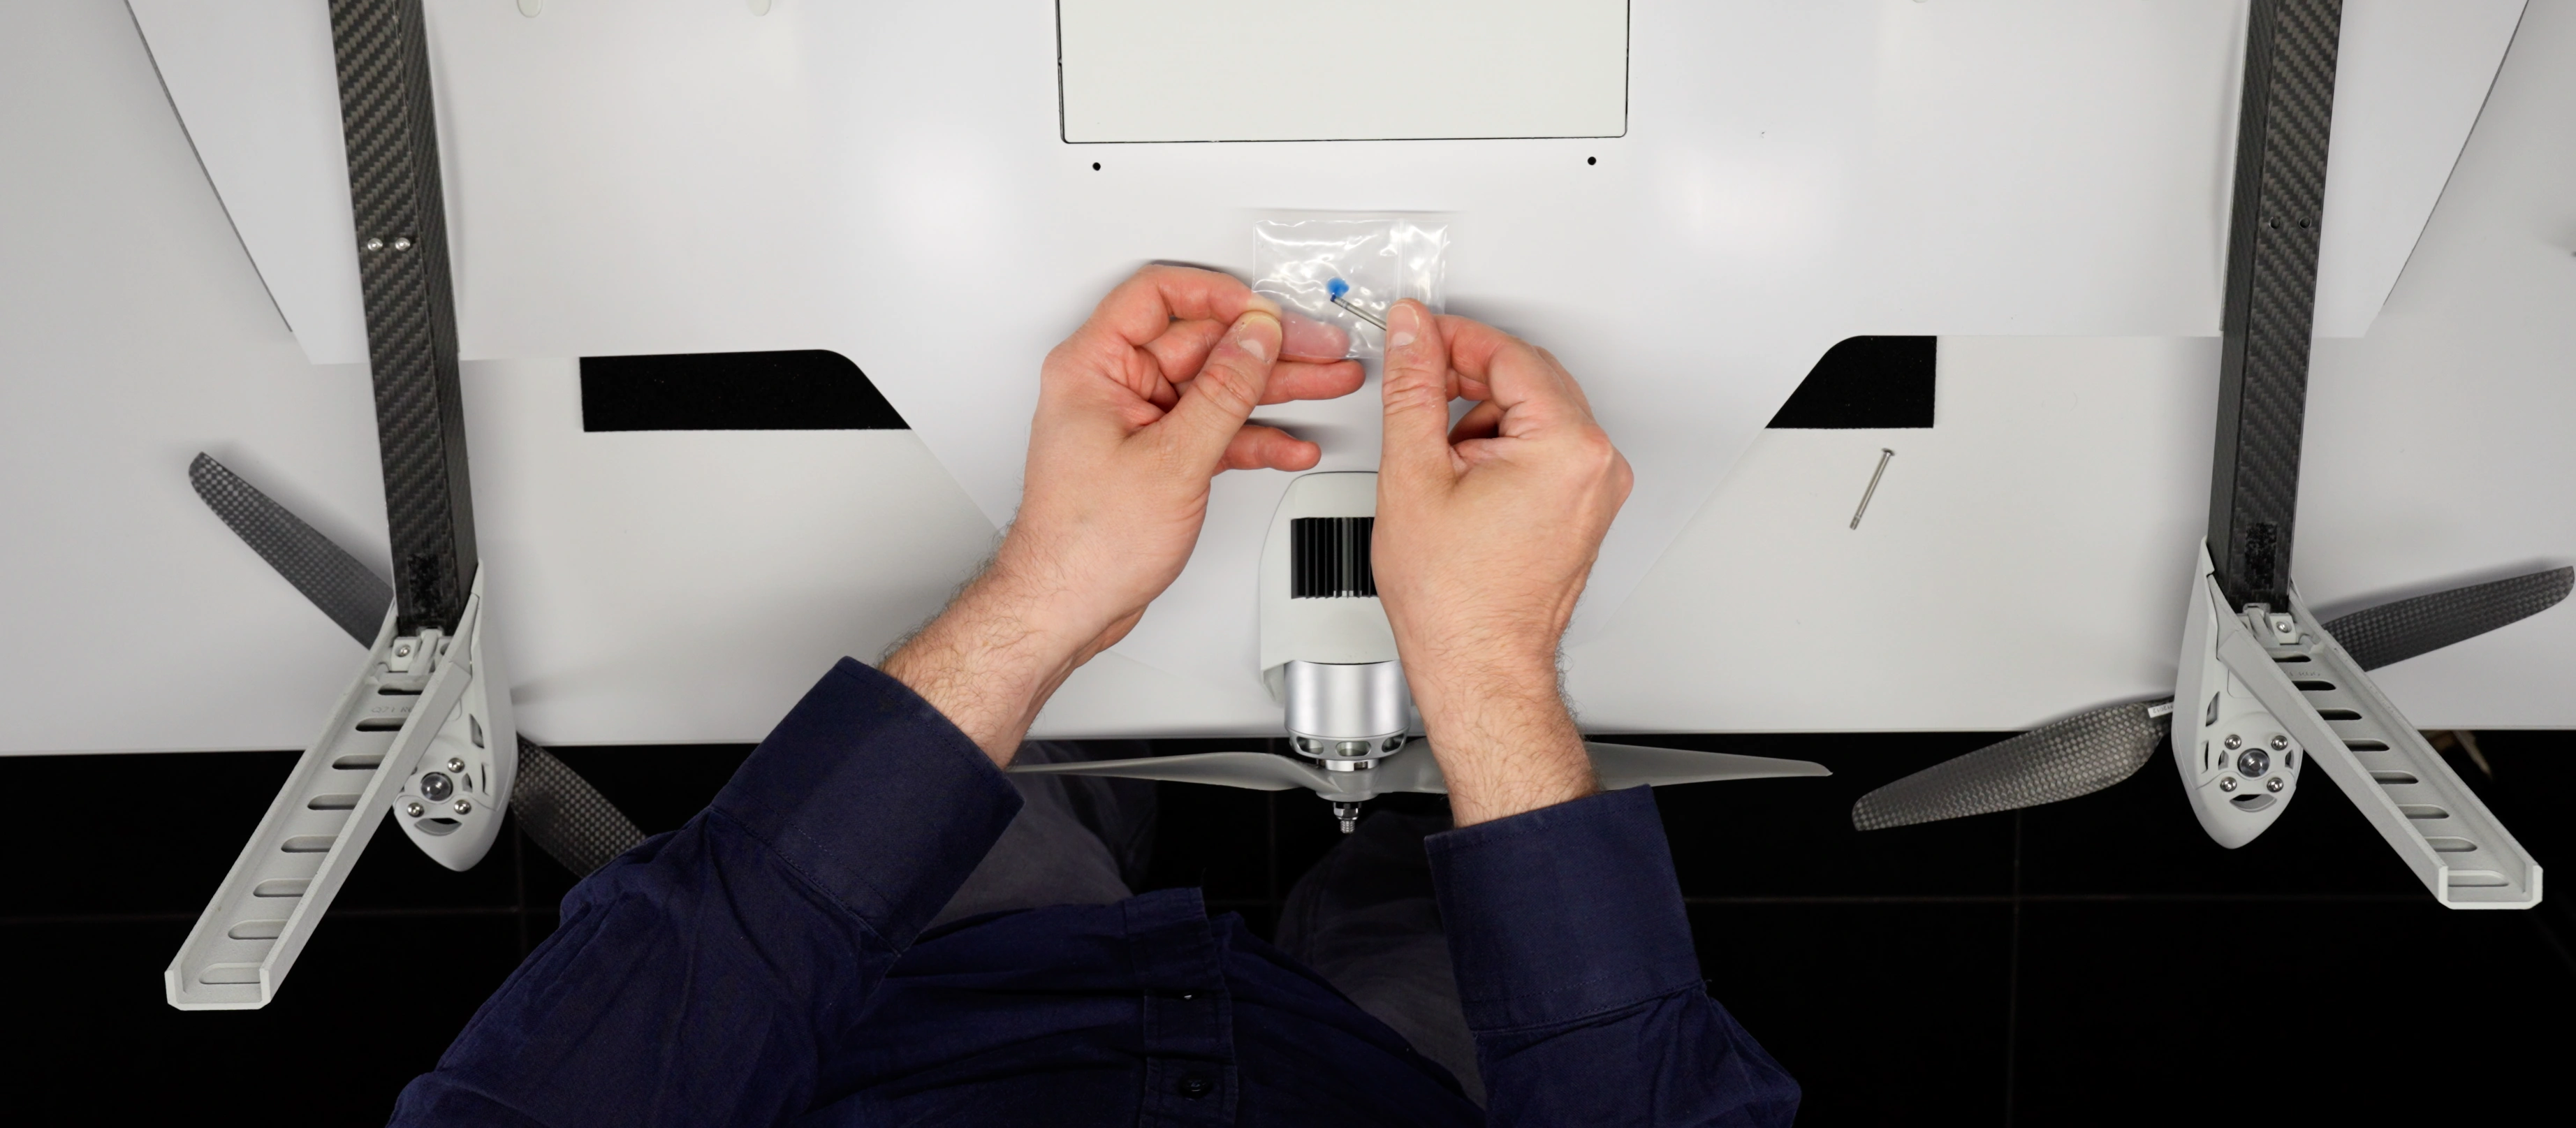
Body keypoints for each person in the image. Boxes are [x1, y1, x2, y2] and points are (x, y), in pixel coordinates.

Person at [391, 267, 1802, 1125]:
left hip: (930, 1006)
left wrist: (1044, 602)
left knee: (1017, 772)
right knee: (1446, 898)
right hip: (1394, 1079)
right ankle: (1403, 824)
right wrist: (1485, 665)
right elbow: (1641, 1094)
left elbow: (692, 984)